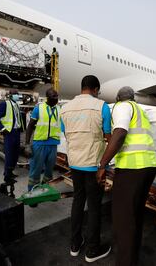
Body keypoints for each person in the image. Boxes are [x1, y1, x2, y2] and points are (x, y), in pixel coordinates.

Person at [97, 86, 156, 266]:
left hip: (133, 169)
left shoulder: (123, 107)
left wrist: (103, 164)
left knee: (123, 221)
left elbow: (120, 133)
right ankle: (132, 259)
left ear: (117, 98)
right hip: (148, 166)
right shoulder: (140, 111)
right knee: (134, 217)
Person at [60, 75, 112, 263]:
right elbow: (108, 136)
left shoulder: (64, 108)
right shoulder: (101, 107)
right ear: (96, 89)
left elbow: (66, 133)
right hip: (93, 165)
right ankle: (92, 250)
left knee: (78, 201)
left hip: (75, 163)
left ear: (82, 87)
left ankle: (75, 244)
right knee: (94, 206)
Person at [25, 88, 60, 190]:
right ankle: (32, 193)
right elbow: (30, 126)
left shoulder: (59, 109)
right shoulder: (39, 108)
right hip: (40, 143)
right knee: (36, 169)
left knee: (49, 170)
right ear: (47, 98)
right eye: (54, 96)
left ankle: (47, 190)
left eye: (57, 96)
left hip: (53, 144)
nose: (56, 98)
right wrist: (27, 144)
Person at [0, 89, 24, 183]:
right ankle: (7, 176)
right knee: (9, 154)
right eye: (15, 94)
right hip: (9, 133)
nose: (17, 96)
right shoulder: (5, 104)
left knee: (15, 154)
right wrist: (2, 129)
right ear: (10, 95)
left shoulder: (17, 105)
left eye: (18, 94)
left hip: (17, 132)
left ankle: (10, 172)